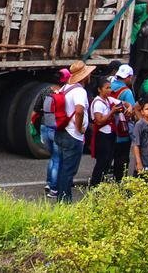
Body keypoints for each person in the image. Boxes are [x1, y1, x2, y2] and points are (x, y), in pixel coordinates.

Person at [53, 61, 93, 202]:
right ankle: (64, 200)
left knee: (62, 166)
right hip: (72, 134)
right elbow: (79, 110)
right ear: (84, 76)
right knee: (69, 170)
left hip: (61, 131)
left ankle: (59, 196)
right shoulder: (79, 91)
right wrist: (79, 127)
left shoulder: (66, 87)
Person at [88, 76, 127, 186]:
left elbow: (123, 103)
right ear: (100, 89)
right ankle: (94, 185)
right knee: (102, 161)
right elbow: (99, 121)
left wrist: (128, 107)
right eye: (106, 88)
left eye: (110, 88)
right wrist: (112, 112)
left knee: (108, 160)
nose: (109, 90)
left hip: (111, 134)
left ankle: (102, 183)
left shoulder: (109, 99)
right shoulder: (98, 103)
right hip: (102, 135)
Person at [110, 64, 137, 179]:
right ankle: (120, 180)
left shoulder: (109, 86)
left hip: (110, 126)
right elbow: (132, 111)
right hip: (122, 130)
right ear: (129, 77)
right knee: (123, 158)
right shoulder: (127, 92)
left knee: (112, 155)